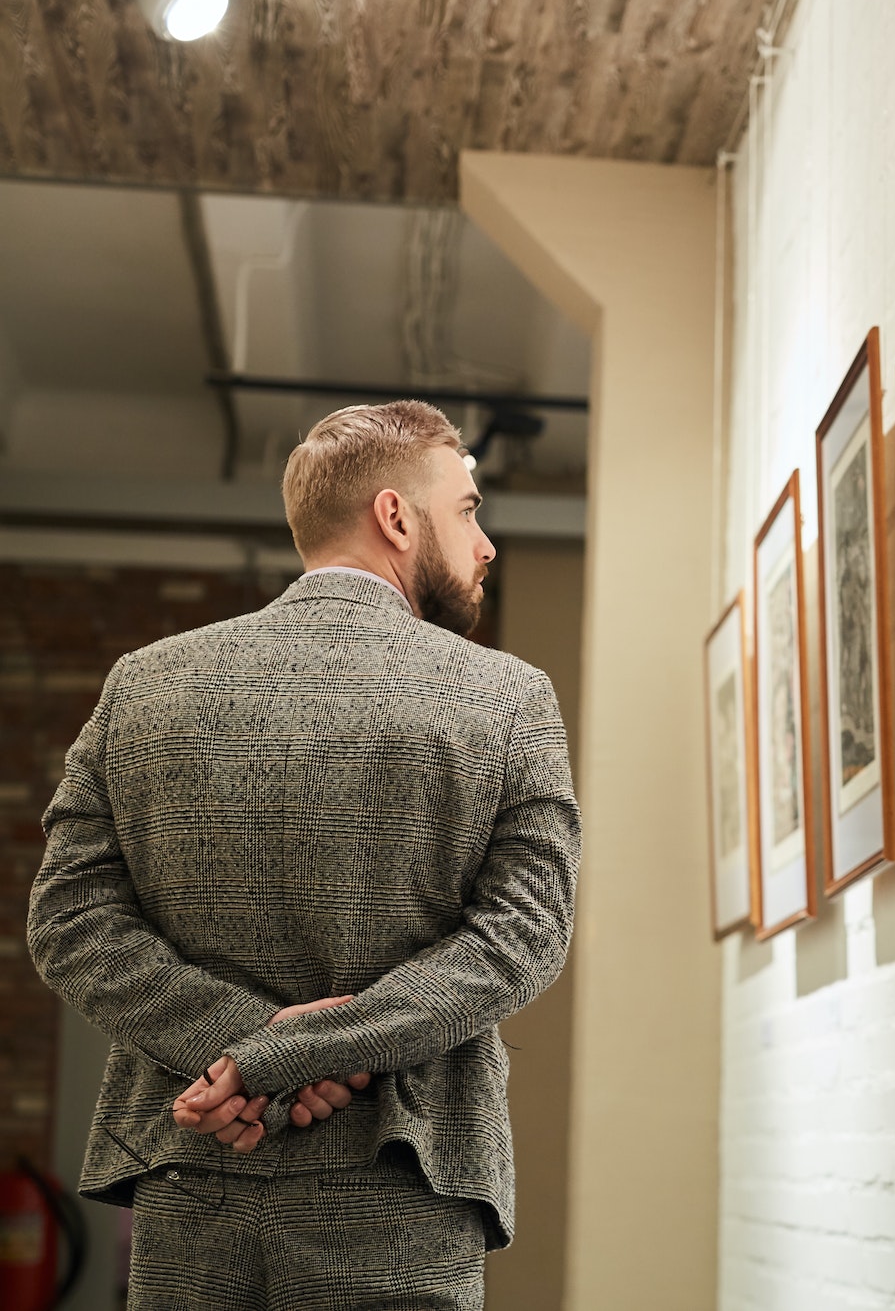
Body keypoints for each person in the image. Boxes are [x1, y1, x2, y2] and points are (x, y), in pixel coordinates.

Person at [27, 400, 580, 1309]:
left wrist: (238, 1053)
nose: (485, 546)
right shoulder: (509, 698)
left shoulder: (144, 685)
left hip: (195, 1168)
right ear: (396, 517)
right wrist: (289, 1053)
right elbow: (523, 938)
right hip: (405, 1181)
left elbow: (67, 919)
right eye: (470, 511)